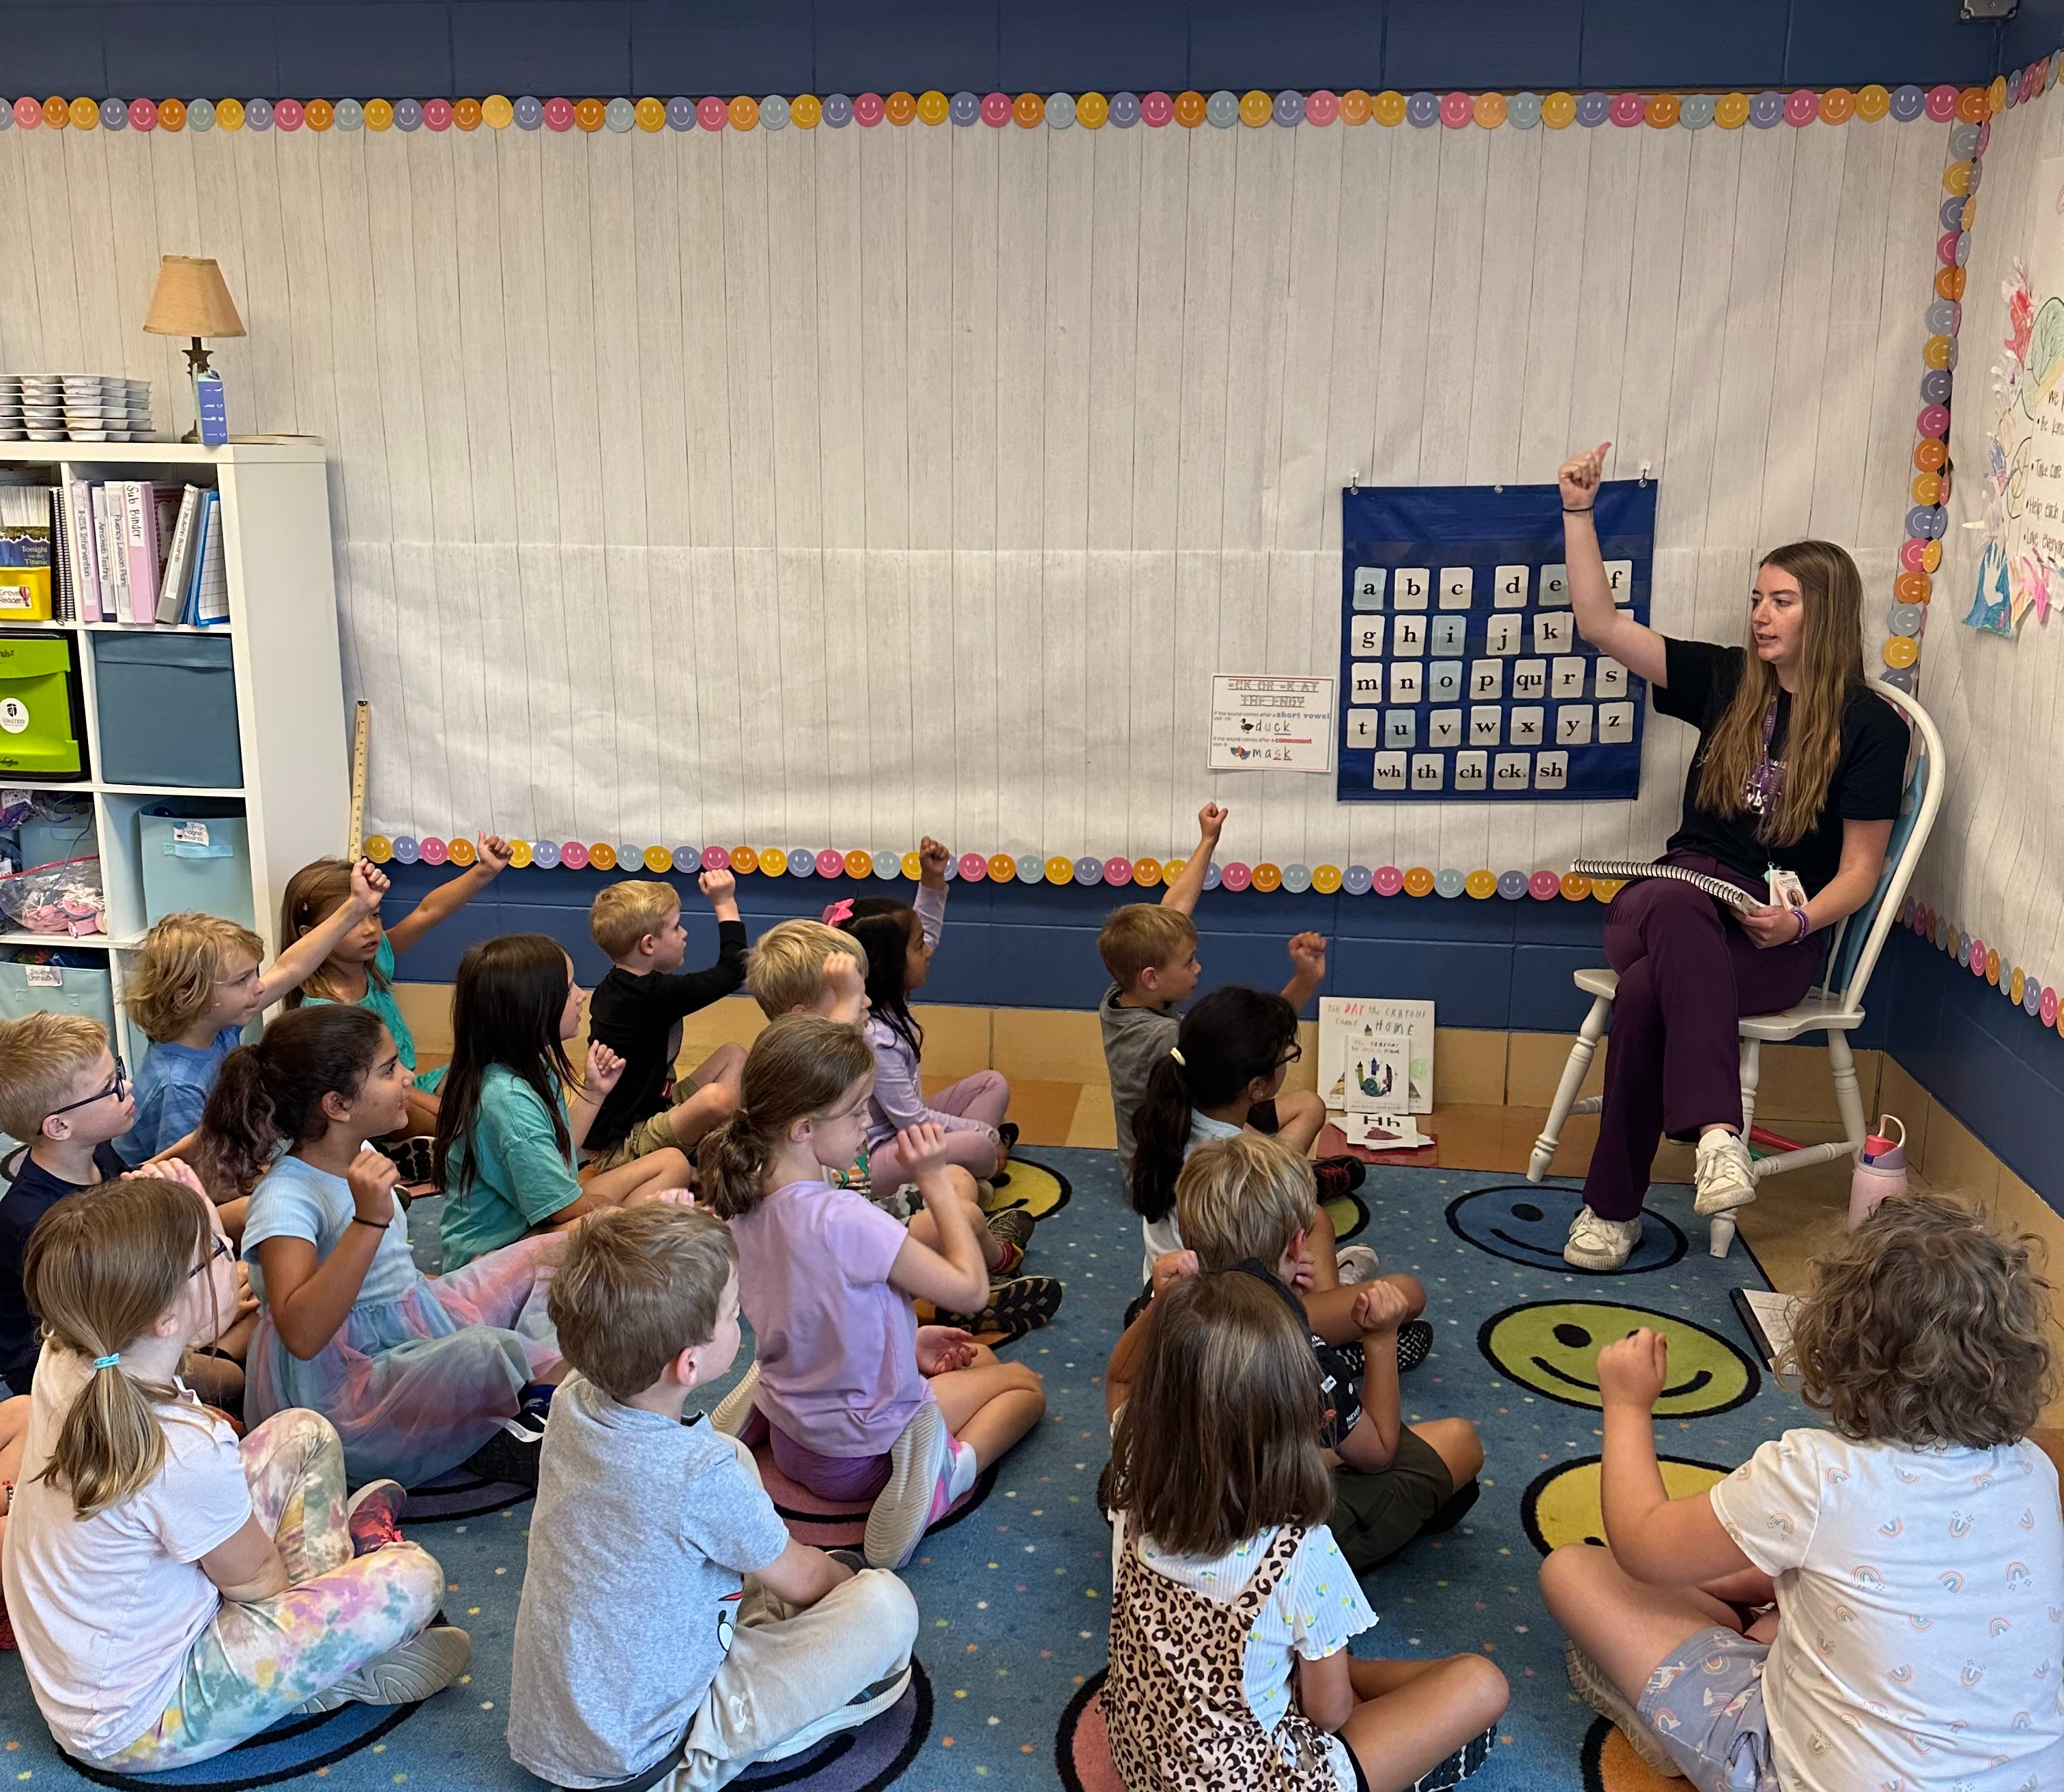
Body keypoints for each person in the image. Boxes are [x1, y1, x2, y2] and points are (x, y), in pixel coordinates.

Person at [1540, 1192, 2063, 1790]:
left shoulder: (1818, 1474)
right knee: (1767, 1587)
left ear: (1837, 1341)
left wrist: (1627, 1404)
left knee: (1575, 1571)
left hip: (1803, 1773)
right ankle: (1755, 1619)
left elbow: (1639, 1543)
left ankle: (1681, 1726)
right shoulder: (2034, 1469)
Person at [1556, 443, 1908, 1268]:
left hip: (1771, 933)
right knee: (1678, 906)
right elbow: (1599, 626)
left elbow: (1860, 870)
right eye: (1757, 598)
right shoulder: (1724, 681)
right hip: (1670, 897)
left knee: (1646, 994)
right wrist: (1579, 513)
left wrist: (1799, 922)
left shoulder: (1869, 728)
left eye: (1782, 601)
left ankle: (1612, 1214)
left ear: (1824, 613)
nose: (1761, 615)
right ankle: (1719, 1133)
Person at [2, 1176, 467, 1772]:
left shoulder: (74, 1346)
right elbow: (258, 1582)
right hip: (138, 1720)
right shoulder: (180, 1447)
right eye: (217, 1253)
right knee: (414, 1579)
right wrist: (313, 1621)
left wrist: (176, 1220)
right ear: (166, 1317)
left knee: (304, 1430)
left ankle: (327, 1652)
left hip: (117, 1646)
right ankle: (328, 1659)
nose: (236, 1259)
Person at [508, 1204, 918, 1790]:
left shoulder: (575, 1398)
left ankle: (748, 1613)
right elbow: (807, 1580)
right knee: (886, 1605)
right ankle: (706, 1756)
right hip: (642, 1752)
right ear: (690, 1363)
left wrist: (651, 1236)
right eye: (732, 1312)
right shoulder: (697, 1474)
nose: (741, 1314)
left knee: (738, 1461)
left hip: (558, 1726)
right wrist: (840, 1602)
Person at [1099, 1270, 1508, 1792]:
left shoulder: (1132, 1465)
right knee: (1481, 1682)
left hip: (1141, 1759)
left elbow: (1119, 1378)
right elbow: (1329, 1713)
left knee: (1313, 1663)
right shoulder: (1300, 1549)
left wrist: (1166, 1303)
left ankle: (1316, 1669)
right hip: (1263, 1779)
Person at [701, 1016, 1049, 1567]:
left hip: (794, 1439)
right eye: (858, 1109)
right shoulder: (846, 1218)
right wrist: (934, 1177)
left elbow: (820, 1310)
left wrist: (909, 1338)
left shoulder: (741, 1202)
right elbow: (972, 1288)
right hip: (864, 1456)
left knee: (974, 1356)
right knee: (1024, 1386)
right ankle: (943, 1476)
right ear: (802, 1129)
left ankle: (771, 1414)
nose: (869, 1121)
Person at [203, 1005, 563, 1488]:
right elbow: (303, 1333)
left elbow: (384, 1274)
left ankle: (519, 1404)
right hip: (346, 1397)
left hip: (413, 1319)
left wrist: (413, 1281)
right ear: (338, 1104)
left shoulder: (363, 1152)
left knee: (554, 1254)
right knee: (484, 1351)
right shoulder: (286, 1196)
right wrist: (368, 1219)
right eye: (389, 1069)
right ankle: (518, 1411)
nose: (409, 1076)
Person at [1108, 1136, 1480, 1575]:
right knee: (1459, 1443)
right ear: (1296, 1246)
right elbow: (1378, 1451)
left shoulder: (1170, 1312)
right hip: (1256, 1561)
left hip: (1165, 1522)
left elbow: (1121, 1382)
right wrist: (1380, 1338)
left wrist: (1157, 1305)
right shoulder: (1306, 1354)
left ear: (1189, 1238)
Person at [0, 1014, 253, 1407]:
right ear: (59, 1127)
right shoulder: (34, 1222)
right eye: (110, 1087)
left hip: (130, 1315)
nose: (128, 1085)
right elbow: (99, 1334)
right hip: (83, 1368)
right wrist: (203, 1297)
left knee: (257, 1271)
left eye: (117, 1070)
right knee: (237, 1375)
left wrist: (183, 1153)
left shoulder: (94, 1152)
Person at [431, 934, 693, 1272]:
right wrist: (612, 1207)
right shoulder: (507, 1100)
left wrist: (595, 1092)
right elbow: (563, 1210)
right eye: (569, 988)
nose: (582, 996)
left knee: (672, 1162)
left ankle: (633, 1245)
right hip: (489, 1261)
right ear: (533, 1008)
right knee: (610, 1223)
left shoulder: (528, 1063)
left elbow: (562, 1151)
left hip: (536, 1223)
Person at [1097, 802, 1334, 1177]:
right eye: (1189, 961)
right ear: (1152, 977)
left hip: (1204, 1120)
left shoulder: (1121, 993)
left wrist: (1208, 840)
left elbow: (1173, 910)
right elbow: (1260, 1053)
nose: (1198, 968)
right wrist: (1305, 981)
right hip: (1173, 1170)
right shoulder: (1169, 1038)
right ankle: (1287, 1178)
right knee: (1271, 1120)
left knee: (1310, 1105)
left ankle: (1284, 1170)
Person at [118, 859, 390, 1167]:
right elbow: (193, 1178)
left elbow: (291, 968)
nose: (259, 987)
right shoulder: (177, 1085)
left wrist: (356, 907)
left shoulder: (214, 1023)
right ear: (189, 998)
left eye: (254, 975)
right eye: (242, 980)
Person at [1129, 986, 1373, 1287]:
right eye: (1286, 1057)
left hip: (1164, 1288)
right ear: (1257, 1088)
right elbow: (1249, 1270)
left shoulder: (1174, 1113)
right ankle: (1332, 1297)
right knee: (1402, 1290)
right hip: (1221, 1311)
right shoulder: (1233, 1160)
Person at [280, 837, 514, 1144]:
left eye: (374, 915)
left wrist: (484, 871)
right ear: (311, 936)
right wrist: (447, 1113)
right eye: (352, 921)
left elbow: (428, 912)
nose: (369, 929)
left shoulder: (375, 960)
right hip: (372, 1103)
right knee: (468, 1126)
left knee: (488, 1073)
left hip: (412, 1084)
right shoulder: (324, 1010)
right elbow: (369, 1087)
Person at [836, 836, 1016, 1190]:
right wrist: (986, 1134)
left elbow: (926, 933)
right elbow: (913, 1123)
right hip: (875, 1158)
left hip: (904, 1131)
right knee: (978, 1145)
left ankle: (961, 1172)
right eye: (918, 949)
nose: (929, 953)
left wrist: (932, 881)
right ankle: (962, 1176)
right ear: (887, 966)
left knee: (993, 1084)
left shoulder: (882, 993)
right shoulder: (875, 1039)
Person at [582, 870, 748, 1169]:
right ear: (648, 945)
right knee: (716, 1099)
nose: (684, 934)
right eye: (676, 928)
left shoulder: (619, 985)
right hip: (622, 1146)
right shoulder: (650, 995)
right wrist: (725, 903)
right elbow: (736, 970)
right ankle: (725, 1164)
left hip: (655, 1107)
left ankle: (711, 1151)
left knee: (733, 1055)